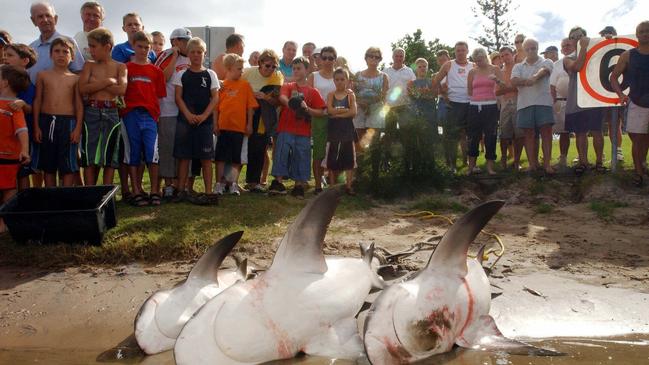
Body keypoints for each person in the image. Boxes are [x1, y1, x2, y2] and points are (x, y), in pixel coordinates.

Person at [268, 56, 326, 198]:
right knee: (281, 153)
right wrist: (292, 105)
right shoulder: (288, 86)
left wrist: (307, 110)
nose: (295, 71)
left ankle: (299, 185)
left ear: (307, 70)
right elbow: (282, 98)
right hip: (286, 128)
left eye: (299, 68)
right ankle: (278, 182)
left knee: (302, 156)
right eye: (294, 68)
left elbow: (321, 110)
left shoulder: (313, 92)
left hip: (303, 131)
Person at [172, 37, 220, 203]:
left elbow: (215, 98)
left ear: (204, 54)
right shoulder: (181, 74)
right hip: (185, 122)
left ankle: (208, 192)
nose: (196, 55)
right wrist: (188, 115)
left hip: (204, 123)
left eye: (199, 52)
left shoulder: (210, 74)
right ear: (188, 54)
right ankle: (181, 190)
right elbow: (178, 98)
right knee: (184, 158)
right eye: (192, 52)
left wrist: (204, 116)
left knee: (206, 159)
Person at [121, 31, 166, 206]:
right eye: (140, 46)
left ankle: (154, 190)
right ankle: (136, 190)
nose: (143, 50)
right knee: (133, 152)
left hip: (150, 116)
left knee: (152, 153)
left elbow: (160, 96)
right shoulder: (125, 68)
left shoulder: (156, 71)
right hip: (130, 114)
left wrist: (157, 116)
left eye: (147, 47)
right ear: (133, 46)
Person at [78, 28, 126, 187]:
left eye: (93, 46)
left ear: (107, 47)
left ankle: (107, 194)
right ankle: (89, 193)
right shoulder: (89, 65)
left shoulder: (121, 67)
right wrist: (108, 82)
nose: (90, 50)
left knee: (110, 155)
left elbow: (121, 90)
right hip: (91, 111)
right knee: (90, 155)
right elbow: (83, 88)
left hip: (111, 112)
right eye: (89, 46)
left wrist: (96, 85)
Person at [32, 37, 84, 187]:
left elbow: (79, 105)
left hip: (68, 123)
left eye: (65, 52)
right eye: (57, 51)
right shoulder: (42, 75)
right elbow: (37, 101)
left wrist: (77, 128)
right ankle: (51, 198)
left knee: (67, 163)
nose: (61, 55)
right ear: (50, 54)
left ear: (72, 56)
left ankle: (65, 196)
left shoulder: (75, 79)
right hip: (46, 121)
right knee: (48, 164)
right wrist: (36, 126)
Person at [611, 21, 649, 186]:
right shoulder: (628, 55)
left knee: (646, 139)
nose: (645, 34)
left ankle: (642, 165)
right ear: (637, 34)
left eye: (648, 31)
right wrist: (621, 95)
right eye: (641, 31)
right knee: (637, 140)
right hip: (637, 102)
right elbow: (613, 77)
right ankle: (638, 173)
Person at [155, 27, 192, 200]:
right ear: (175, 42)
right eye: (184, 41)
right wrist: (175, 57)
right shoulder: (166, 55)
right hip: (168, 109)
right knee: (167, 148)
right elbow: (161, 78)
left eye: (188, 41)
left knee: (184, 149)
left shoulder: (192, 57)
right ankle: (168, 184)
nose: (187, 45)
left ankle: (181, 184)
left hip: (186, 111)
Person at [214, 54, 258, 196]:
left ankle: (232, 183)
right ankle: (219, 184)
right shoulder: (221, 86)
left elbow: (250, 107)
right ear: (229, 68)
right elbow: (215, 108)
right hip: (223, 127)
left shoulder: (245, 85)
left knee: (235, 158)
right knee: (220, 157)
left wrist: (249, 124)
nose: (241, 71)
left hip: (239, 128)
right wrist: (215, 124)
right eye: (239, 69)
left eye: (242, 68)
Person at [564, 26, 605, 175]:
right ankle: (583, 162)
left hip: (594, 99)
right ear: (571, 40)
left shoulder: (596, 55)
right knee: (580, 133)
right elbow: (578, 66)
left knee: (597, 131)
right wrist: (584, 48)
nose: (577, 39)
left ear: (586, 36)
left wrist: (606, 40)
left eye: (580, 36)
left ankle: (599, 162)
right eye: (574, 37)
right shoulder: (568, 59)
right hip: (577, 100)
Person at [510, 38, 555, 175]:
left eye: (533, 48)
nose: (531, 51)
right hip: (525, 104)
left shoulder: (547, 61)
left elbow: (545, 71)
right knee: (528, 134)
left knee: (546, 133)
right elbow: (513, 81)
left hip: (543, 102)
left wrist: (534, 78)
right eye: (528, 49)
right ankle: (532, 164)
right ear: (524, 50)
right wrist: (526, 81)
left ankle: (547, 164)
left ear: (537, 47)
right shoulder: (518, 66)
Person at [242, 49, 283, 192]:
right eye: (267, 66)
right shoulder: (248, 72)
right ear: (260, 63)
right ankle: (229, 181)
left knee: (259, 148)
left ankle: (254, 181)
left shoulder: (277, 76)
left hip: (263, 116)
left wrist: (265, 97)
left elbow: (277, 101)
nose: (270, 69)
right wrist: (251, 94)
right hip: (245, 113)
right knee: (242, 147)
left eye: (274, 66)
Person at [433, 41, 473, 172]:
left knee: (468, 135)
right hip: (453, 104)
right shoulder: (449, 64)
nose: (460, 52)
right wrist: (443, 94)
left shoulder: (473, 66)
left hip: (470, 104)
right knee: (453, 136)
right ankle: (452, 165)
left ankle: (468, 162)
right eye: (458, 50)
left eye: (463, 50)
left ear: (467, 51)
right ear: (455, 52)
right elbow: (435, 80)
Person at [3, 44, 40, 190]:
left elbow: (31, 108)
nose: (5, 58)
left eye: (10, 55)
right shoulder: (3, 81)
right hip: (6, 136)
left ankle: (23, 203)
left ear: (24, 61)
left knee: (23, 171)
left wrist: (22, 103)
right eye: (5, 55)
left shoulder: (27, 84)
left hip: (24, 135)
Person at [0, 65, 31, 233]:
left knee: (9, 189)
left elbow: (22, 130)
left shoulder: (14, 107)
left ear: (4, 83)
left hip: (9, 156)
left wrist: (24, 150)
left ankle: (5, 222)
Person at [467, 48, 503, 175]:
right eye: (476, 61)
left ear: (485, 57)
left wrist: (497, 81)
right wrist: (478, 98)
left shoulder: (495, 69)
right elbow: (469, 90)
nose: (478, 63)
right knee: (473, 137)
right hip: (475, 106)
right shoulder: (472, 71)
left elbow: (503, 86)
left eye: (480, 60)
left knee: (491, 136)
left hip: (491, 106)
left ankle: (490, 167)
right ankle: (471, 167)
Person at [28, 2, 85, 84]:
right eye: (40, 16)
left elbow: (79, 72)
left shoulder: (69, 43)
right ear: (33, 21)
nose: (45, 20)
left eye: (48, 15)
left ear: (55, 19)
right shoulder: (30, 49)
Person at [323, 68, 358, 195]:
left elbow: (353, 112)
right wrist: (345, 111)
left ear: (347, 80)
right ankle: (332, 186)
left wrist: (339, 115)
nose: (339, 82)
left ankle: (348, 186)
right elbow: (330, 110)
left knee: (349, 160)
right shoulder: (331, 94)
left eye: (342, 79)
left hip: (347, 132)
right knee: (332, 159)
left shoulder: (350, 95)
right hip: (334, 132)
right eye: (337, 79)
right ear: (334, 80)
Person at [307, 46, 337, 194]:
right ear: (319, 58)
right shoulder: (314, 76)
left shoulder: (339, 75)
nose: (327, 61)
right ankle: (318, 185)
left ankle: (332, 184)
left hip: (336, 118)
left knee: (333, 152)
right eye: (324, 57)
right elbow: (308, 98)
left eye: (330, 58)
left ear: (335, 60)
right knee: (318, 152)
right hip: (318, 118)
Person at [496, 46, 524, 170]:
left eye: (507, 54)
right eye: (502, 56)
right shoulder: (500, 72)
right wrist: (510, 88)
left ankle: (516, 161)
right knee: (504, 134)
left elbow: (522, 87)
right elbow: (496, 92)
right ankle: (503, 159)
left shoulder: (520, 68)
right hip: (505, 103)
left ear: (513, 54)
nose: (504, 58)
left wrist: (506, 88)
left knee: (519, 133)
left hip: (519, 102)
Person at [353, 47, 388, 144]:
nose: (373, 58)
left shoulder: (384, 76)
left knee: (373, 141)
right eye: (371, 56)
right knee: (358, 141)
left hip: (376, 109)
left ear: (380, 59)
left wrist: (369, 105)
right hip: (359, 109)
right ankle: (359, 159)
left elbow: (383, 95)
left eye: (377, 57)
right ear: (366, 58)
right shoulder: (357, 75)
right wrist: (361, 103)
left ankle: (373, 159)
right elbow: (352, 93)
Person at [600, 26, 624, 162]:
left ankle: (618, 151)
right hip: (602, 92)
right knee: (610, 123)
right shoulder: (598, 49)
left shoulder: (622, 47)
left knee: (618, 123)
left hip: (622, 90)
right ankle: (603, 153)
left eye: (608, 33)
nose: (605, 36)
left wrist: (613, 40)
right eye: (603, 34)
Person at [549, 38, 574, 169]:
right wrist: (553, 102)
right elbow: (552, 85)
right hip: (561, 102)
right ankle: (563, 158)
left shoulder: (583, 59)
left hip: (578, 102)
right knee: (563, 132)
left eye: (568, 45)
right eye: (563, 46)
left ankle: (583, 159)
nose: (566, 47)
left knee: (582, 132)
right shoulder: (557, 64)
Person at [384, 48, 416, 132]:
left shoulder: (409, 71)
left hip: (404, 106)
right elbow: (382, 89)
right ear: (392, 57)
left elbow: (414, 88)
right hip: (389, 106)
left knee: (405, 132)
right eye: (396, 56)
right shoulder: (385, 71)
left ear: (404, 58)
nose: (398, 58)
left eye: (401, 56)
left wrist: (412, 91)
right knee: (389, 133)